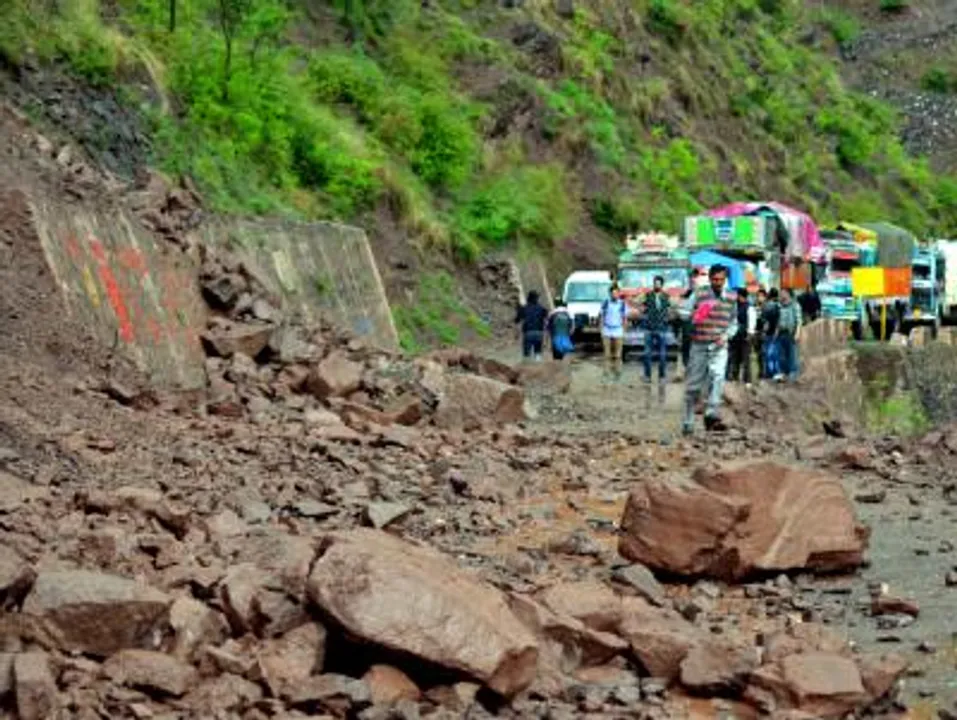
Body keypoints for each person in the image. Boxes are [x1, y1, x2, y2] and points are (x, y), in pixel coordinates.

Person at [681, 264, 737, 435]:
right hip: (699, 344)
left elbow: (733, 322)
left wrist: (727, 335)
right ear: (710, 278)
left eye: (721, 279)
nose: (718, 282)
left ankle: (711, 411)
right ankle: (688, 420)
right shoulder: (699, 294)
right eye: (715, 279)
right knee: (693, 386)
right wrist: (693, 315)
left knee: (718, 375)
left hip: (719, 344)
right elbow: (683, 311)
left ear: (725, 279)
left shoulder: (731, 297)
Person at [641, 275, 670, 385]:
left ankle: (662, 376)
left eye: (659, 283)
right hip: (649, 328)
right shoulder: (648, 295)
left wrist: (665, 319)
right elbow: (642, 307)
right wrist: (644, 314)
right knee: (647, 353)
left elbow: (668, 310)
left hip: (661, 328)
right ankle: (647, 376)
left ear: (662, 285)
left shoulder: (666, 297)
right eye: (655, 283)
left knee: (662, 354)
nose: (657, 285)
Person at [727, 287, 757, 385]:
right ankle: (735, 378)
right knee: (734, 358)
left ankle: (747, 381)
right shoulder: (735, 306)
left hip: (745, 337)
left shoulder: (749, 307)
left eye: (736, 295)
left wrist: (750, 335)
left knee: (746, 359)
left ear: (740, 296)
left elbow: (752, 322)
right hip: (735, 337)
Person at [599, 283, 628, 381]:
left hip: (618, 330)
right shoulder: (605, 303)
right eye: (613, 293)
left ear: (619, 293)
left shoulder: (622, 304)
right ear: (610, 294)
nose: (614, 295)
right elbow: (601, 317)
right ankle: (606, 374)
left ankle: (618, 373)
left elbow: (624, 318)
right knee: (607, 354)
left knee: (618, 355)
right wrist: (601, 330)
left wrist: (624, 331)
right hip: (607, 330)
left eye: (616, 293)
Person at [777, 288, 803, 381]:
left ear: (788, 294)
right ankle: (784, 373)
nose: (781, 295)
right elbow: (778, 320)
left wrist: (797, 333)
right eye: (780, 293)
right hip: (781, 333)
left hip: (791, 332)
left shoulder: (795, 305)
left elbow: (799, 321)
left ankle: (793, 374)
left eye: (783, 293)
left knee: (792, 354)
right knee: (782, 355)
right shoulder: (779, 306)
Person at [514, 290, 548, 361]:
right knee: (538, 354)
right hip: (539, 333)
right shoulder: (542, 309)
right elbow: (546, 322)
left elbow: (517, 321)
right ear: (536, 298)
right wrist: (546, 337)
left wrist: (517, 334)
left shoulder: (524, 308)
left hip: (528, 333)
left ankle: (527, 369)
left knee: (527, 355)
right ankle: (538, 368)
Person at [762, 288, 781, 380]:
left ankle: (769, 372)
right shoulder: (777, 306)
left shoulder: (765, 305)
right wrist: (777, 332)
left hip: (767, 332)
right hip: (774, 332)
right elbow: (778, 321)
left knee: (768, 353)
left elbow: (764, 321)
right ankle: (775, 372)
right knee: (774, 353)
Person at [753, 289, 768, 380]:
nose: (759, 298)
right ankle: (760, 372)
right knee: (758, 353)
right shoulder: (754, 307)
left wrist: (764, 331)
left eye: (761, 296)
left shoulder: (767, 307)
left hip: (764, 332)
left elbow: (767, 321)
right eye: (758, 296)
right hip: (756, 332)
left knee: (764, 353)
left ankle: (764, 372)